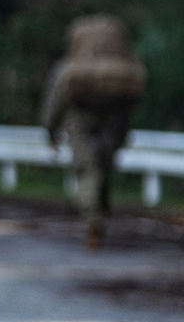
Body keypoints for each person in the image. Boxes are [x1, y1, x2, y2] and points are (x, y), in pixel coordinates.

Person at [41, 14, 146, 248]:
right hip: (115, 119)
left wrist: (50, 130)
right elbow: (132, 102)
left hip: (81, 119)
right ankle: (101, 206)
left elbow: (55, 102)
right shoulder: (123, 69)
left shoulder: (70, 68)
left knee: (87, 167)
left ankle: (92, 219)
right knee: (104, 164)